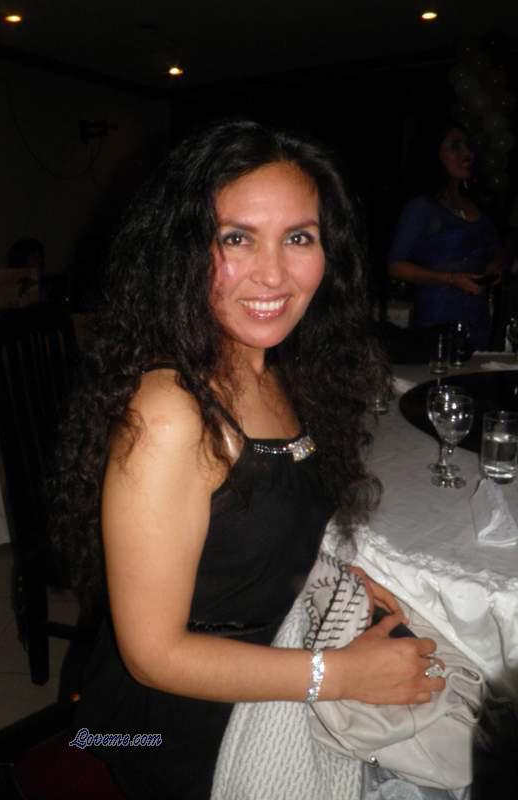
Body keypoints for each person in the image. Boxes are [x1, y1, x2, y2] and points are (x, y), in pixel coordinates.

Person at [50, 120, 445, 799]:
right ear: (183, 251)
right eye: (236, 237)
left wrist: (338, 581)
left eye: (299, 238)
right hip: (153, 727)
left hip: (271, 664)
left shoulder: (278, 373)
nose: (273, 273)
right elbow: (152, 656)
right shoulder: (171, 412)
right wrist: (338, 675)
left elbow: (262, 525)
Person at [388, 123, 501, 349]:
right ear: (436, 155)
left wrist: (494, 268)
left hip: (478, 321)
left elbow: (497, 252)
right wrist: (451, 279)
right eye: (455, 147)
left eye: (468, 146)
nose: (466, 153)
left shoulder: (478, 205)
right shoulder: (422, 206)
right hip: (437, 319)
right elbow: (395, 266)